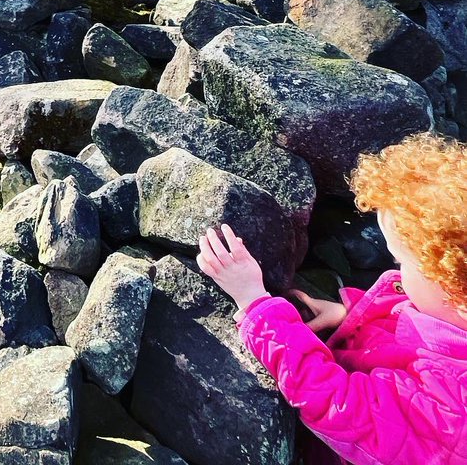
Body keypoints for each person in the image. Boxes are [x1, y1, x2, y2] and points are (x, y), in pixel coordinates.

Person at [196, 132, 467, 465]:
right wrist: (350, 315)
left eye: (401, 261)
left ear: (452, 285)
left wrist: (254, 302)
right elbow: (417, 331)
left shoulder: (449, 411)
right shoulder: (449, 314)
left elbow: (334, 404)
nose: (394, 269)